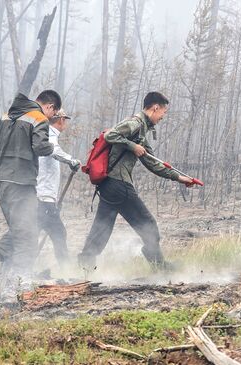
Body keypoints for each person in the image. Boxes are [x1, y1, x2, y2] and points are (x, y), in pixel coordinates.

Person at [78, 92, 194, 271]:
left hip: (109, 185)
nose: (163, 116)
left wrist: (179, 178)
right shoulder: (135, 123)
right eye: (163, 112)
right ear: (155, 107)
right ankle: (160, 267)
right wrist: (132, 146)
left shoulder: (141, 131)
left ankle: (85, 265)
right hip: (118, 184)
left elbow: (152, 163)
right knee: (148, 225)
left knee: (102, 228)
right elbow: (110, 135)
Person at [0, 91, 61, 288]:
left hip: (2, 183)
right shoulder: (39, 118)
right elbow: (41, 147)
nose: (52, 118)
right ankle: (20, 283)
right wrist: (52, 147)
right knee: (29, 234)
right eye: (54, 113)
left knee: (18, 229)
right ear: (49, 106)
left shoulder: (7, 116)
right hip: (21, 184)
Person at [36, 108, 80, 270]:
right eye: (65, 120)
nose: (65, 123)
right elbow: (53, 150)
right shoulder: (49, 134)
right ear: (61, 120)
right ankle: (66, 270)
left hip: (42, 197)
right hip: (44, 197)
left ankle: (11, 267)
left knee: (31, 234)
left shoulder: (42, 134)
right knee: (59, 233)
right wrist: (71, 160)